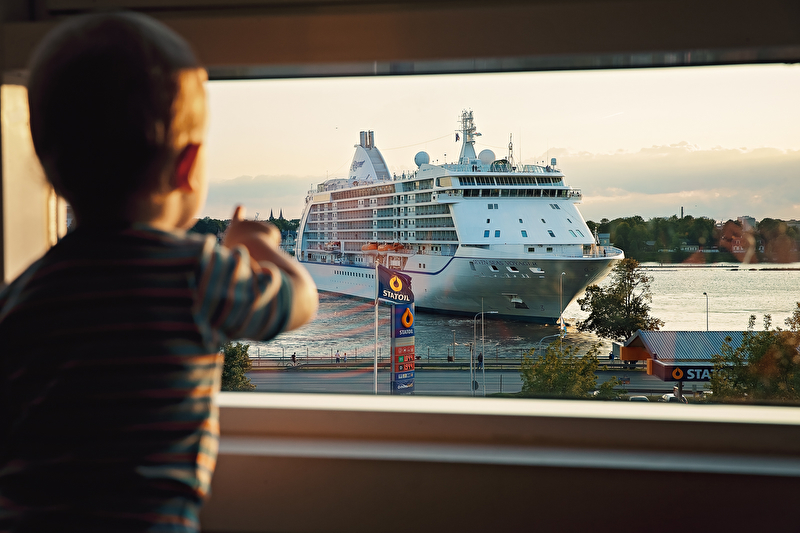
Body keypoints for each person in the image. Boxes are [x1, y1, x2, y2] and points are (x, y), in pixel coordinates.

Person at [0, 12, 318, 533]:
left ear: (46, 168)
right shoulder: (197, 274)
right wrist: (259, 246)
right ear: (187, 167)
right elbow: (298, 300)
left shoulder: (22, 295)